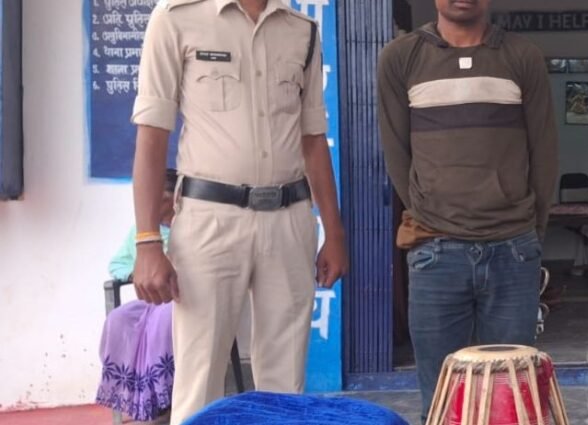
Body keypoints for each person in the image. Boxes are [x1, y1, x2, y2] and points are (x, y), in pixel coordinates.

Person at [129, 1, 348, 423]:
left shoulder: (301, 30)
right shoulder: (176, 18)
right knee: (200, 374)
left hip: (289, 219)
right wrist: (147, 240)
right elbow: (152, 136)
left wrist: (334, 234)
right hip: (209, 220)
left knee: (285, 382)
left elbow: (313, 139)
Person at [376, 0, 558, 417]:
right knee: (442, 400)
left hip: (512, 249)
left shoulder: (522, 56)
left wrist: (531, 231)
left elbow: (544, 151)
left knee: (510, 401)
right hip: (436, 252)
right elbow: (396, 153)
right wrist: (428, 212)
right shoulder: (400, 57)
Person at [96, 169, 178, 425]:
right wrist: (136, 273)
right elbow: (117, 264)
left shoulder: (190, 227)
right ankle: (136, 398)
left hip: (180, 300)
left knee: (163, 320)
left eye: (163, 200)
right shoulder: (140, 232)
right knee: (119, 319)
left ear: (176, 199)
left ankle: (164, 398)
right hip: (149, 301)